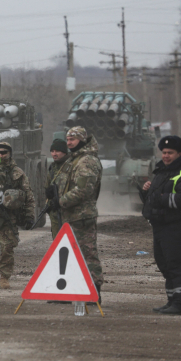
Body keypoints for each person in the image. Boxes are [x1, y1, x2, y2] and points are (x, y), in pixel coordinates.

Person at [139, 135, 181, 315]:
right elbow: (152, 200)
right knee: (164, 263)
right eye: (164, 152)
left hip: (175, 226)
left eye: (170, 153)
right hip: (159, 226)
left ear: (179, 153)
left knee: (175, 263)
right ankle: (172, 299)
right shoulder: (162, 172)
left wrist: (161, 198)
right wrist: (146, 192)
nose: (166, 156)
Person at [49, 126, 104, 301]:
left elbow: (83, 190)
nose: (69, 142)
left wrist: (61, 201)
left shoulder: (86, 161)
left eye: (72, 139)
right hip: (70, 216)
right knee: (68, 255)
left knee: (87, 254)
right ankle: (66, 291)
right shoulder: (74, 160)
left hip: (82, 216)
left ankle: (94, 292)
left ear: (81, 139)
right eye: (68, 139)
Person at [0, 142, 35, 289]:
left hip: (7, 217)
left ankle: (4, 277)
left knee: (7, 248)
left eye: (4, 152)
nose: (1, 155)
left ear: (10, 153)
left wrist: (30, 216)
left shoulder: (17, 173)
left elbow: (28, 196)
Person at [45, 138, 70, 238]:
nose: (54, 154)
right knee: (57, 240)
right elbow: (47, 185)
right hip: (55, 211)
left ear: (64, 152)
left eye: (57, 151)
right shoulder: (53, 167)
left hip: (67, 211)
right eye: (52, 151)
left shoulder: (71, 166)